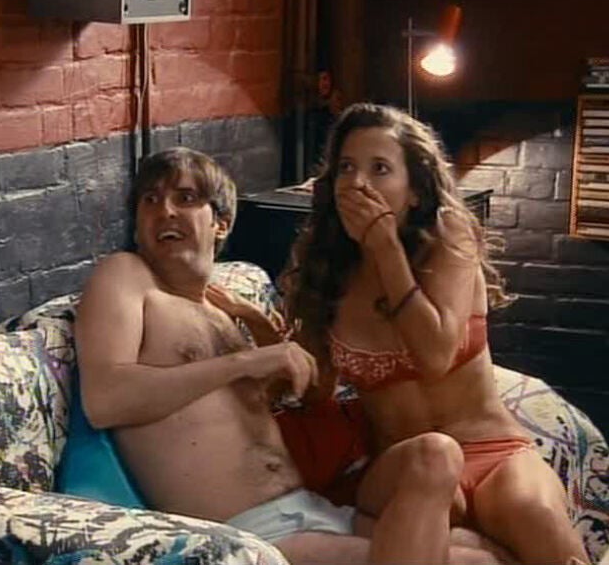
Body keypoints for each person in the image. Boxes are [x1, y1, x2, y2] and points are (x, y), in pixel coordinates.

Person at [74, 146, 515, 565]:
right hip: (253, 534)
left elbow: (286, 396)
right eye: (150, 200)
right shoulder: (127, 275)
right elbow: (105, 399)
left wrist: (256, 327)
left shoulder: (220, 311)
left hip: (312, 508)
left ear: (221, 224)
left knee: (462, 502)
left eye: (185, 198)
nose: (164, 211)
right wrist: (246, 361)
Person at [281, 103, 591, 565]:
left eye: (379, 168)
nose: (358, 183)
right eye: (346, 167)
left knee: (539, 520)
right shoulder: (327, 270)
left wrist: (386, 250)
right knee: (438, 482)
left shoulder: (449, 237)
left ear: (414, 190)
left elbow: (435, 355)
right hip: (406, 467)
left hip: (492, 451)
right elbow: (312, 386)